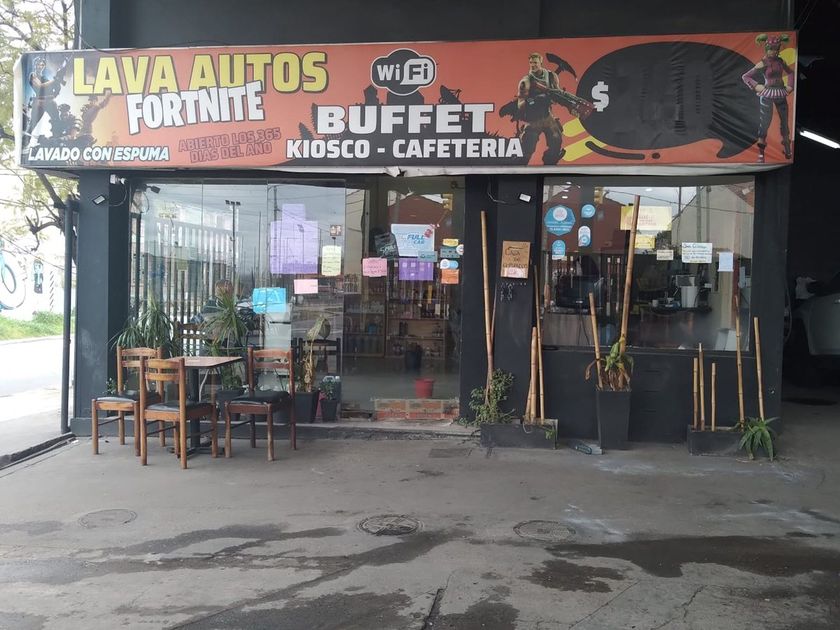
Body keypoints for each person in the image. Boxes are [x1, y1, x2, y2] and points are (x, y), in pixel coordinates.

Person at [741, 34, 794, 163]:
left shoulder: (781, 61)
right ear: (766, 49)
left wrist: (790, 86)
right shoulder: (763, 63)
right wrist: (756, 86)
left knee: (784, 121)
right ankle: (761, 153)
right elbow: (746, 76)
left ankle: (787, 149)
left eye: (776, 49)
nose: (773, 51)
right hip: (767, 94)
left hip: (780, 92)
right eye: (771, 49)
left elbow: (791, 73)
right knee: (765, 122)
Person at [516, 53, 565, 165]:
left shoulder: (551, 76)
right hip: (533, 119)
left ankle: (549, 165)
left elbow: (556, 96)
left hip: (548, 117)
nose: (533, 65)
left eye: (535, 62)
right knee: (527, 148)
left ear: (541, 62)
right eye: (531, 63)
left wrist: (557, 97)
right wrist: (534, 101)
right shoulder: (525, 82)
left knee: (556, 141)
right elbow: (520, 104)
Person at [24, 56, 68, 147]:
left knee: (56, 121)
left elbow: (55, 89)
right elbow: (40, 86)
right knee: (33, 123)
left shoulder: (45, 77)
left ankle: (58, 140)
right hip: (39, 102)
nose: (40, 66)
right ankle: (24, 141)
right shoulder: (33, 75)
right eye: (38, 64)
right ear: (35, 65)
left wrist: (57, 83)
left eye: (42, 65)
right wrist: (54, 80)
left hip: (50, 101)